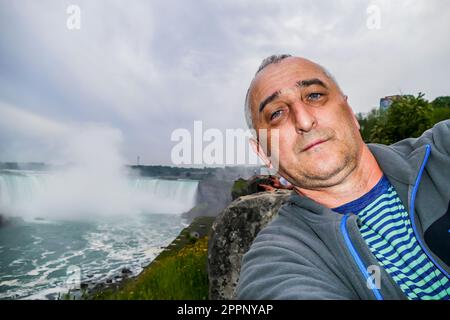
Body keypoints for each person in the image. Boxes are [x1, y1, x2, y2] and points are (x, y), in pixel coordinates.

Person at [236, 54, 450, 300]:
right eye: (276, 114)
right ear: (263, 152)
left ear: (350, 112)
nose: (304, 120)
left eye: (314, 95)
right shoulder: (277, 259)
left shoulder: (442, 150)